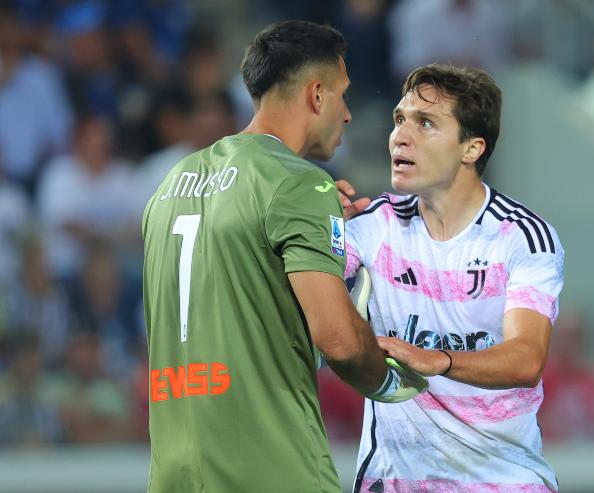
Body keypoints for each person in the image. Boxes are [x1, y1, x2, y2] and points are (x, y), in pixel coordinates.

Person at [142, 20, 422, 493]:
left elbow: (243, 316)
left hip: (175, 471)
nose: (349, 114)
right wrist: (398, 385)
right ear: (316, 95)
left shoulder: (170, 184)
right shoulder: (298, 183)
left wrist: (323, 231)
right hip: (271, 467)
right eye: (342, 95)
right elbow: (339, 342)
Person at [344, 64, 564, 492]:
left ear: (472, 148)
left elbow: (526, 359)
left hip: (501, 481)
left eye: (425, 123)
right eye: (399, 119)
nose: (400, 136)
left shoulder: (522, 238)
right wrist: (310, 225)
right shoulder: (371, 225)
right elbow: (297, 293)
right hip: (395, 481)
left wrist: (439, 360)